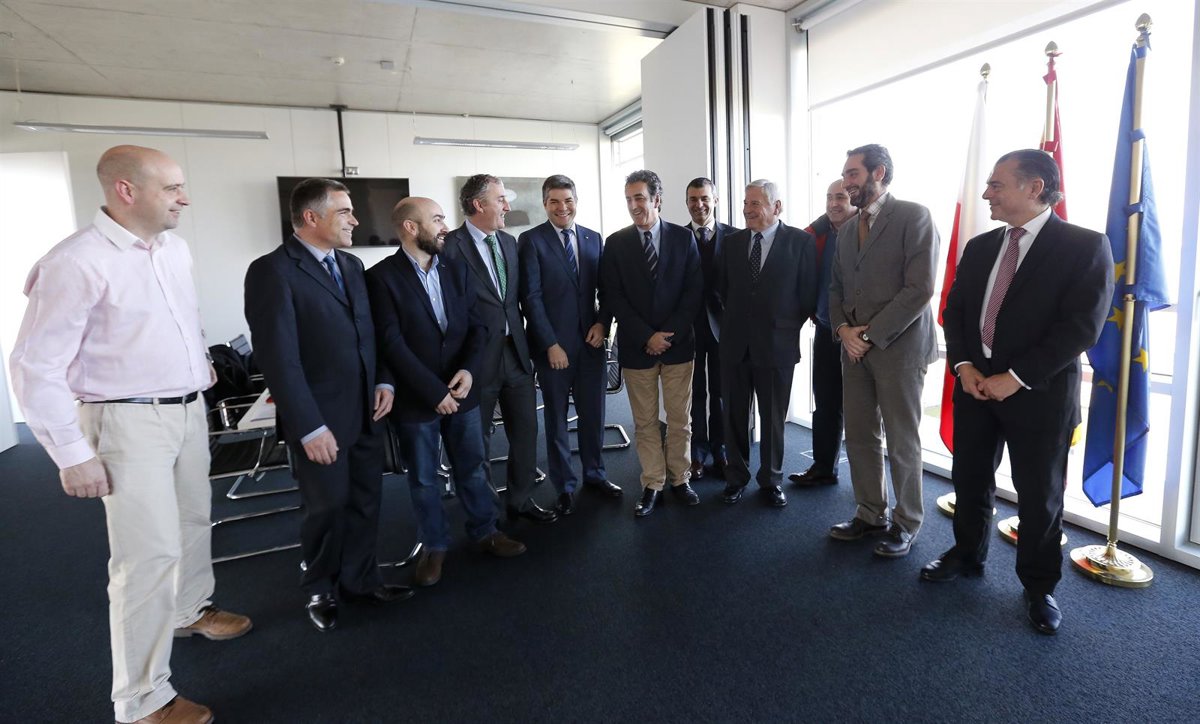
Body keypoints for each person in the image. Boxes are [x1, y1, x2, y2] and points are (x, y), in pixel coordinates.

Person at [10, 145, 251, 724]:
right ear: (126, 190)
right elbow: (34, 366)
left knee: (193, 522)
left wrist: (198, 372)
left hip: (187, 411)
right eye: (172, 188)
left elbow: (179, 322)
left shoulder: (174, 249)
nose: (184, 199)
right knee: (145, 558)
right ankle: (142, 700)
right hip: (125, 420)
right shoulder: (75, 262)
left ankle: (188, 610)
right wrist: (71, 454)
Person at [922, 149, 1113, 635]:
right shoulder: (981, 247)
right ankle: (967, 554)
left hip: (1039, 396)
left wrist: (1016, 377)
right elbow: (955, 312)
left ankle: (1038, 586)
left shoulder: (1085, 246)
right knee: (969, 480)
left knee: (1039, 496)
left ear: (1034, 187)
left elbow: (1081, 328)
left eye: (997, 184)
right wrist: (964, 366)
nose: (986, 192)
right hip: (975, 388)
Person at [244, 178, 412, 635]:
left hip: (367, 412)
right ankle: (320, 587)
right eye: (344, 212)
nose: (356, 220)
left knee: (366, 501)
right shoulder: (272, 271)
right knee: (326, 508)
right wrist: (309, 427)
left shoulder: (352, 265)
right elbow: (279, 360)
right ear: (311, 217)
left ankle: (360, 580)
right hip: (320, 421)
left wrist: (384, 379)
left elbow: (370, 335)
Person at [367, 197, 526, 586]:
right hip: (416, 398)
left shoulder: (456, 269)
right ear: (411, 227)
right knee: (424, 478)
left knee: (472, 466)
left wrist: (469, 371)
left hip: (462, 389)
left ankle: (486, 531)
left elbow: (478, 327)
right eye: (437, 219)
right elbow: (390, 342)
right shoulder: (381, 277)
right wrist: (432, 391)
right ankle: (435, 546)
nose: (444, 226)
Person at [828, 143, 939, 558]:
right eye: (845, 174)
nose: (846, 182)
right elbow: (835, 288)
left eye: (853, 173)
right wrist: (843, 330)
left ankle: (906, 523)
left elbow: (920, 289)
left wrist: (869, 335)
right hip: (854, 350)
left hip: (900, 350)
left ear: (878, 173)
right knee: (859, 435)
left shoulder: (914, 216)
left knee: (902, 440)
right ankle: (870, 513)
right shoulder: (846, 230)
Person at [444, 174, 555, 523]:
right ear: (479, 205)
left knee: (526, 432)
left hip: (515, 354)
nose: (507, 206)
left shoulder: (509, 242)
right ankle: (486, 515)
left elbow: (520, 300)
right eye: (501, 199)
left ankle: (520, 500)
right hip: (473, 361)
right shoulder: (449, 247)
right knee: (477, 442)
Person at [600, 169, 703, 517]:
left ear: (657, 199)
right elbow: (613, 296)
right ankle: (653, 483)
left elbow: (693, 292)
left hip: (678, 346)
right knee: (644, 423)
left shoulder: (683, 238)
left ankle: (680, 479)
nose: (634, 205)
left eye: (640, 198)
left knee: (680, 420)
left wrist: (667, 335)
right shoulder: (616, 243)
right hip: (637, 347)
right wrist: (647, 336)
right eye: (629, 199)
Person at [518, 175, 622, 515]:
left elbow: (606, 290)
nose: (562, 207)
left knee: (594, 414)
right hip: (554, 349)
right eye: (554, 202)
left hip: (591, 344)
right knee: (557, 419)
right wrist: (550, 343)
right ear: (544, 204)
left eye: (568, 200)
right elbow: (531, 298)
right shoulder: (531, 241)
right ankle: (564, 485)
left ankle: (595, 474)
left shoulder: (593, 238)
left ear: (576, 201)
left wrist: (602, 324)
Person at [717, 180, 817, 508]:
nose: (747, 209)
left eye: (755, 203)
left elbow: (807, 295)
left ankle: (771, 480)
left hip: (777, 346)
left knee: (773, 419)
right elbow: (723, 289)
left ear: (777, 206)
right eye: (746, 203)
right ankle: (736, 478)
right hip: (735, 346)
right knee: (734, 416)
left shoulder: (800, 242)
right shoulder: (732, 243)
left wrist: (782, 327)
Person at [789, 179, 854, 488]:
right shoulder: (817, 234)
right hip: (827, 330)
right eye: (829, 197)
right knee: (826, 403)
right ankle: (824, 467)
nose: (833, 203)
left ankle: (869, 483)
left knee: (864, 410)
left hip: (860, 337)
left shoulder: (867, 232)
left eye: (840, 197)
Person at [683, 177, 738, 482]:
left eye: (704, 198)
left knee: (721, 393)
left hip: (724, 328)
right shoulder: (678, 237)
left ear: (715, 200)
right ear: (687, 202)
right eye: (693, 199)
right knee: (694, 394)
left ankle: (721, 450)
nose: (699, 204)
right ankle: (697, 453)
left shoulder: (735, 237)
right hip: (688, 327)